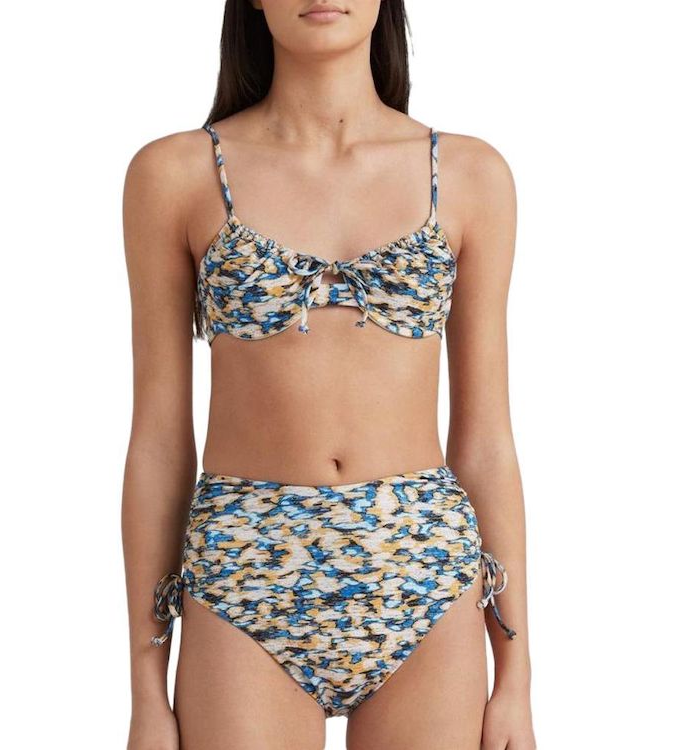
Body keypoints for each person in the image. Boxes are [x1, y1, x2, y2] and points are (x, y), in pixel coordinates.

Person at [121, 1, 535, 748]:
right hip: (242, 571)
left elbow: (486, 440)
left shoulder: (471, 175)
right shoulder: (174, 174)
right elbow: (158, 441)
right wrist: (146, 694)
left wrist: (517, 680)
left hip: (423, 569)